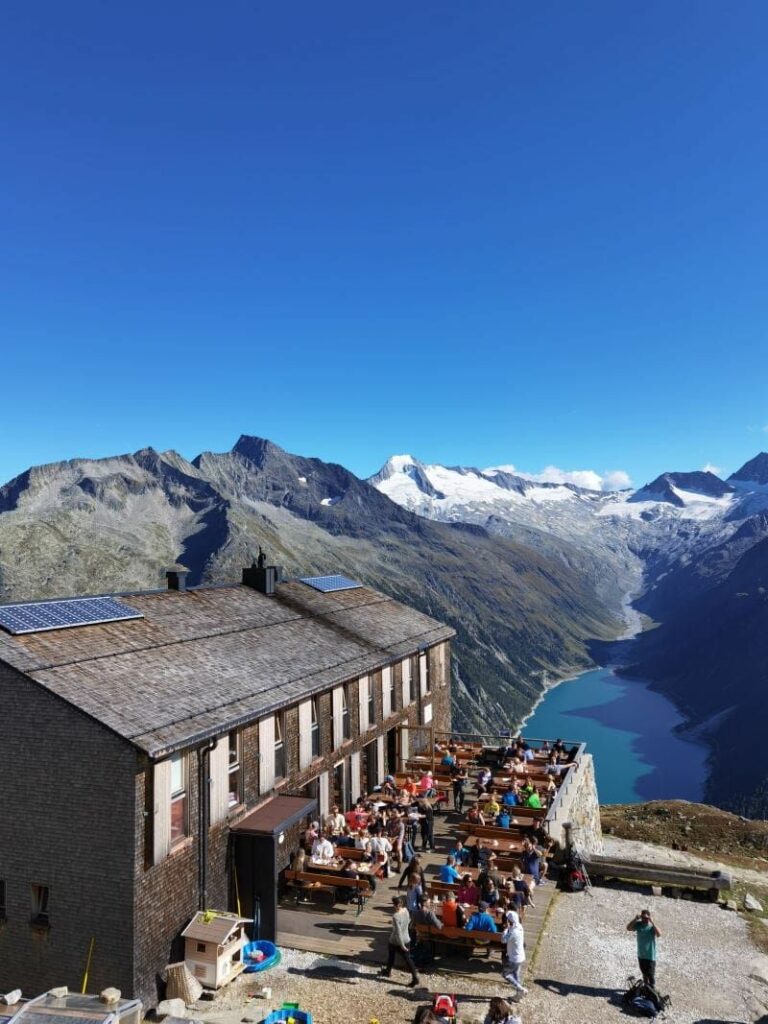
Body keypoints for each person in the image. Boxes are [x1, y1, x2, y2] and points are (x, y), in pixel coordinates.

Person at [381, 896, 421, 987]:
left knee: (393, 955)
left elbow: (398, 932)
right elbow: (409, 921)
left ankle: (388, 971)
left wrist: (402, 945)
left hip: (396, 941)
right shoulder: (406, 910)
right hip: (407, 938)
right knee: (408, 959)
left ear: (395, 905)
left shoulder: (395, 916)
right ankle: (415, 977)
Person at [627, 909, 661, 987]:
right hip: (641, 955)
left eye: (646, 918)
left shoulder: (651, 927)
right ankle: (646, 988)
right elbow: (628, 928)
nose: (645, 920)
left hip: (650, 956)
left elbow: (659, 934)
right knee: (644, 973)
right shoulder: (638, 925)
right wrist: (635, 919)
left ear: (649, 918)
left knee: (651, 975)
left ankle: (652, 988)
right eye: (643, 918)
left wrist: (653, 922)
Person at [502, 910, 528, 996]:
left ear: (510, 921)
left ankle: (520, 989)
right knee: (516, 975)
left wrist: (506, 929)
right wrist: (509, 927)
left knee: (505, 974)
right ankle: (518, 994)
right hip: (520, 956)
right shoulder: (519, 927)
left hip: (514, 958)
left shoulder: (513, 932)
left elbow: (503, 940)